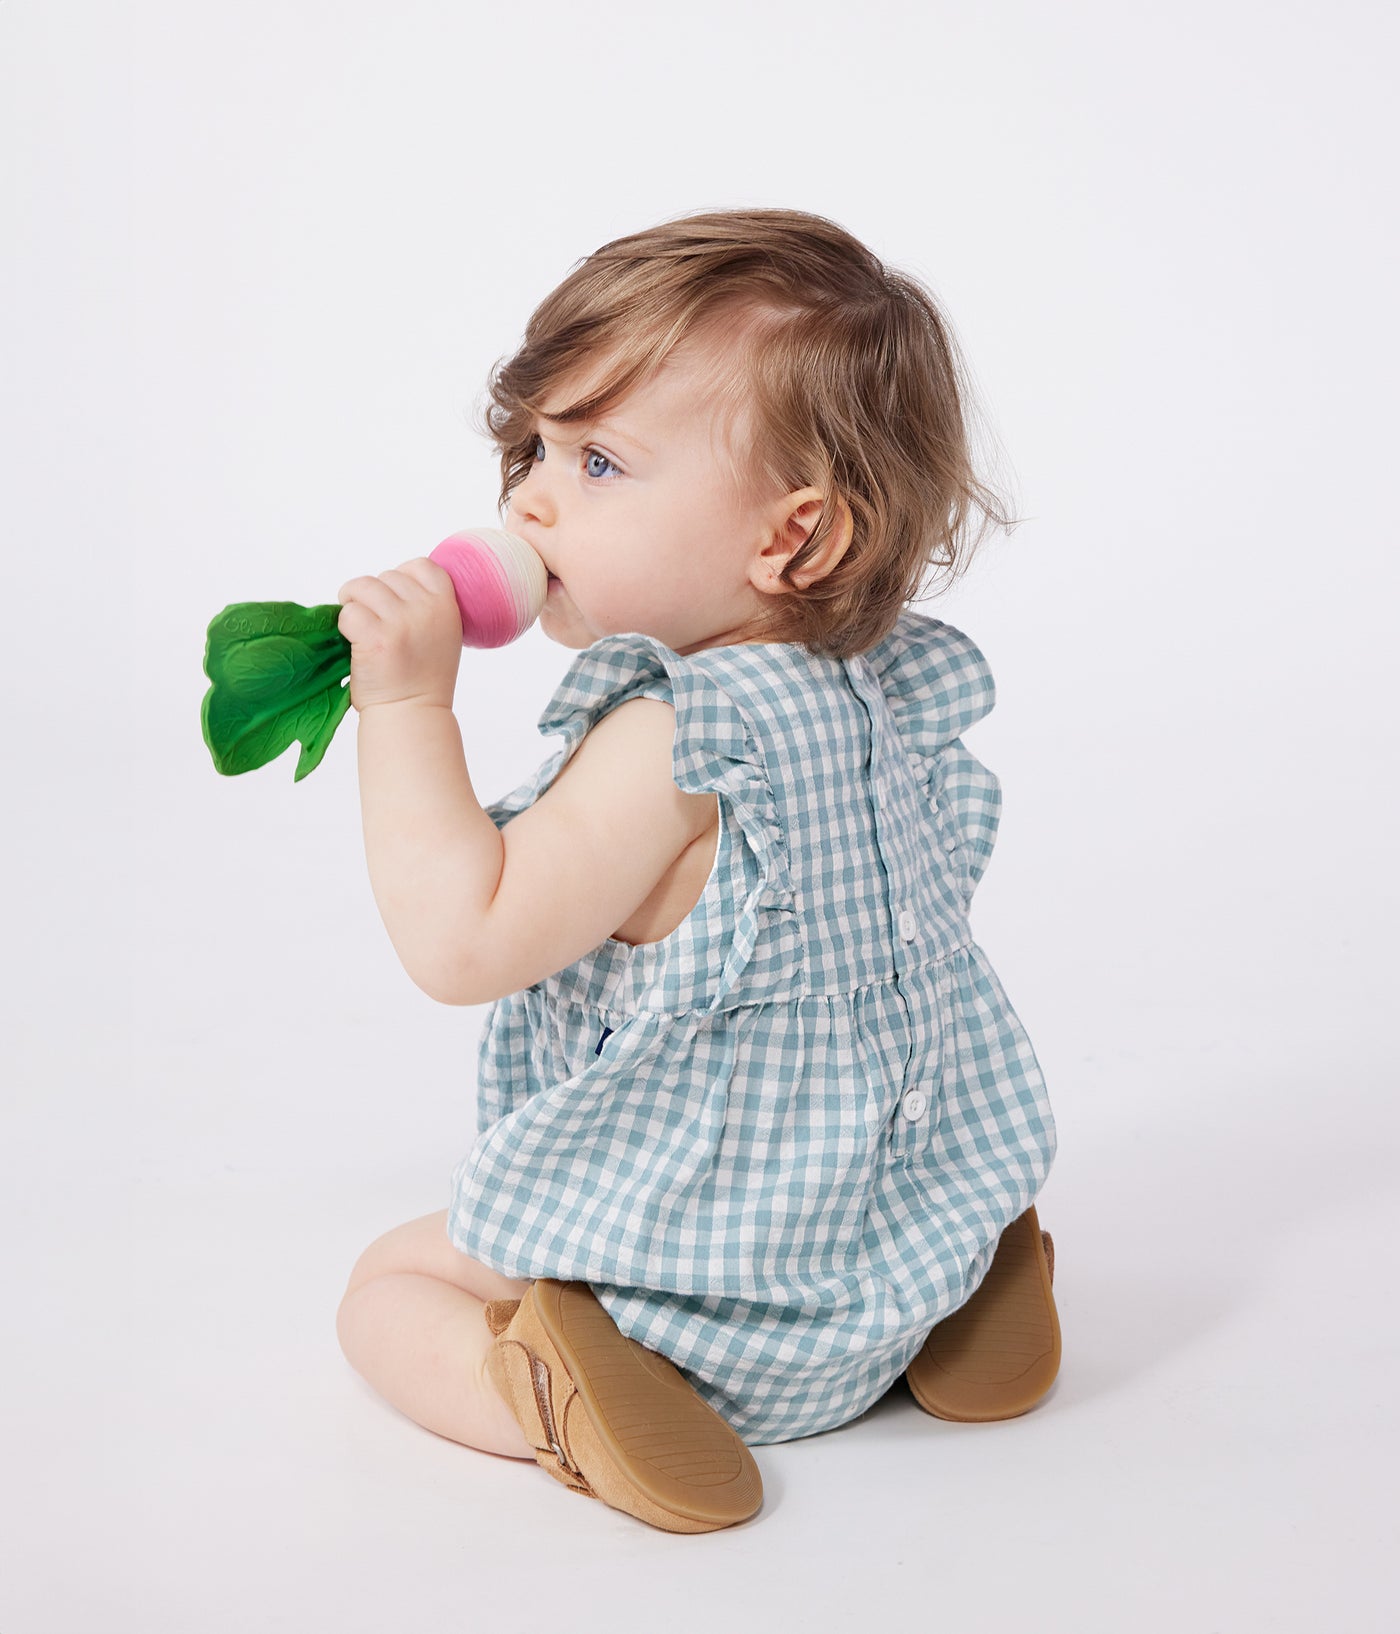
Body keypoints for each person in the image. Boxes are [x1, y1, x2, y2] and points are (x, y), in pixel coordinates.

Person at [332, 208, 1060, 1533]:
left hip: (703, 1321)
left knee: (388, 1286)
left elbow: (462, 941)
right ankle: (974, 1258)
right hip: (888, 1250)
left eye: (599, 461)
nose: (529, 500)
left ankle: (548, 1397)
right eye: (534, 449)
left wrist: (405, 708)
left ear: (794, 539)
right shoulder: (888, 689)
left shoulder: (677, 743)